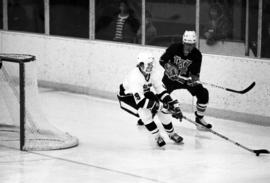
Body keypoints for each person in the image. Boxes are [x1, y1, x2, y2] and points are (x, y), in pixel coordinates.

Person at [117, 52, 183, 147]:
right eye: (148, 64)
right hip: (127, 98)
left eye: (152, 64)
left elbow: (160, 90)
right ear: (141, 64)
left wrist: (171, 103)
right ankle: (157, 136)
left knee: (162, 111)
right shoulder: (135, 77)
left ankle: (172, 134)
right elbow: (141, 102)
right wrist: (161, 106)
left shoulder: (153, 72)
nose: (151, 66)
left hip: (144, 93)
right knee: (145, 113)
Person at [159, 30, 212, 131]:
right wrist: (168, 67)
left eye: (192, 45)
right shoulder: (174, 48)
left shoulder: (197, 55)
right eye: (187, 44)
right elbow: (162, 60)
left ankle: (199, 118)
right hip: (169, 79)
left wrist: (193, 79)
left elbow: (195, 74)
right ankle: (148, 116)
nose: (189, 47)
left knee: (203, 93)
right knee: (159, 96)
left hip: (185, 80)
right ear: (184, 42)